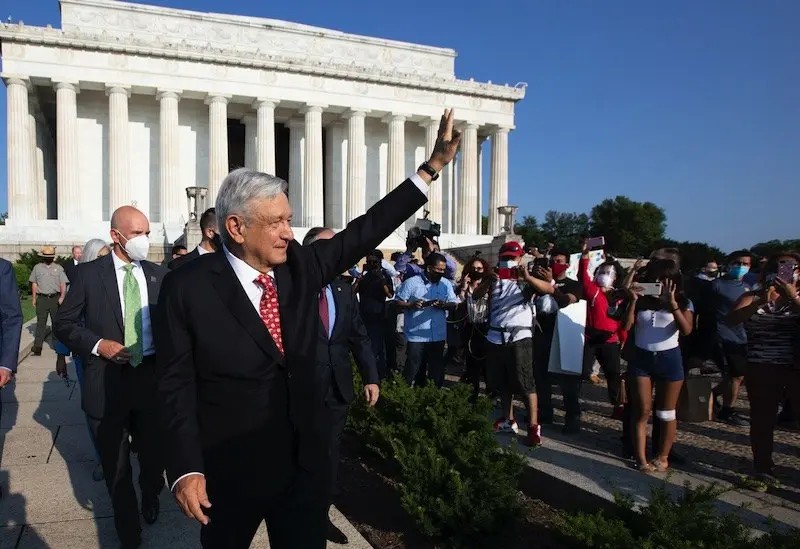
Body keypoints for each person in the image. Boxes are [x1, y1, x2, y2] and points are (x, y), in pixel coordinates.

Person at [154, 108, 460, 549]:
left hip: (303, 466)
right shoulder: (188, 287)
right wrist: (185, 467)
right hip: (229, 470)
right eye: (276, 222)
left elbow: (365, 230)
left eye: (288, 218)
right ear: (236, 227)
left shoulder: (300, 266)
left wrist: (429, 171)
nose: (287, 232)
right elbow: (174, 382)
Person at [55, 207, 167, 549]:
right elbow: (64, 324)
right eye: (136, 234)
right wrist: (99, 344)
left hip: (149, 380)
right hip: (107, 381)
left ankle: (150, 493)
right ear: (116, 235)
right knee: (117, 469)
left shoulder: (158, 275)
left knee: (152, 459)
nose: (144, 241)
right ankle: (128, 530)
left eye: (147, 232)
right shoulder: (89, 275)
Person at [303, 227, 380, 544]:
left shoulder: (345, 291)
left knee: (331, 456)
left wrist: (371, 376)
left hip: (338, 388)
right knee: (300, 455)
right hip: (302, 390)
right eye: (328, 247)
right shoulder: (291, 288)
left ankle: (320, 516)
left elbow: (359, 337)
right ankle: (299, 512)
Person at [728, 252, 800, 486]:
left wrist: (794, 298)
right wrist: (760, 300)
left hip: (795, 367)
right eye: (779, 267)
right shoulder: (752, 296)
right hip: (761, 365)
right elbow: (732, 320)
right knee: (762, 420)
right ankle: (763, 467)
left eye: (791, 267)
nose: (785, 271)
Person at [623, 259, 694, 473]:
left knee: (665, 412)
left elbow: (686, 330)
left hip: (669, 358)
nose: (659, 282)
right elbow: (625, 326)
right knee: (642, 410)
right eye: (655, 277)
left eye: (665, 278)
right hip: (642, 358)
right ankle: (641, 457)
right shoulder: (642, 299)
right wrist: (633, 301)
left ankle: (663, 456)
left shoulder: (683, 301)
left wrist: (672, 305)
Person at [485, 241, 542, 446]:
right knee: (502, 382)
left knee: (525, 381)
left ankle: (534, 425)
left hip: (519, 336)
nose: (508, 261)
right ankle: (507, 419)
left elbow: (548, 289)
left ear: (519, 259)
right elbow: (475, 295)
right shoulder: (494, 279)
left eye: (512, 258)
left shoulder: (526, 281)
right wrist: (487, 280)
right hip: (495, 335)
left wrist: (527, 277)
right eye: (505, 258)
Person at [69, 238, 111, 482]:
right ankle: (102, 458)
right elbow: (67, 322)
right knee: (94, 411)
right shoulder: (81, 280)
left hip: (117, 355)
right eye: (100, 259)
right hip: (87, 355)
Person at [528, 248, 583, 433]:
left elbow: (566, 301)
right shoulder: (537, 284)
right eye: (553, 260)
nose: (556, 263)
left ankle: (572, 417)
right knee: (541, 377)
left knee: (568, 381)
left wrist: (551, 284)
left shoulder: (573, 285)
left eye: (560, 260)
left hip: (564, 336)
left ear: (567, 264)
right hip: (542, 335)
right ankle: (544, 412)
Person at [395, 253, 460, 388]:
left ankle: (431, 400)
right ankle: (403, 397)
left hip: (438, 336)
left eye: (443, 270)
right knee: (413, 369)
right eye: (439, 270)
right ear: (430, 268)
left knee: (435, 372)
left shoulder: (445, 283)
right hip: (416, 337)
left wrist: (443, 305)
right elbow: (397, 302)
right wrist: (410, 305)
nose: (442, 272)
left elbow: (454, 303)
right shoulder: (412, 282)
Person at [579, 244, 625, 421]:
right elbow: (584, 277)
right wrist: (585, 256)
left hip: (611, 340)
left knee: (613, 374)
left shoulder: (619, 296)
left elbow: (622, 321)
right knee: (582, 371)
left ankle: (618, 405)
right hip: (591, 338)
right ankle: (573, 401)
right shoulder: (593, 291)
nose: (604, 275)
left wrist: (623, 338)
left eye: (608, 272)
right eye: (602, 271)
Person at [709, 251, 754, 426]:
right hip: (722, 335)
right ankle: (728, 410)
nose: (741, 267)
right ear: (729, 264)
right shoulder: (716, 285)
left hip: (740, 335)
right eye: (738, 263)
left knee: (739, 375)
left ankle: (714, 393)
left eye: (746, 264)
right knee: (735, 375)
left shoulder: (748, 287)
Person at [355, 251, 394, 378]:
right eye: (369, 262)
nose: (371, 264)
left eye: (374, 262)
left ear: (380, 262)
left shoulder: (384, 276)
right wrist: (359, 278)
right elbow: (353, 291)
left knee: (377, 347)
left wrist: (381, 279)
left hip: (378, 316)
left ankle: (379, 374)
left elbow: (389, 294)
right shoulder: (364, 277)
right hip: (364, 315)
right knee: (364, 345)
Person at [456, 257, 492, 398]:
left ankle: (491, 394)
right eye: (474, 268)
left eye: (479, 268)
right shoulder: (465, 285)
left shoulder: (489, 285)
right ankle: (473, 393)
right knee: (471, 363)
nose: (476, 271)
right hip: (470, 326)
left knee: (487, 364)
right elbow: (458, 304)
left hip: (485, 326)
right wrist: (464, 287)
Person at [29, 246, 68, 358]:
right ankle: (37, 347)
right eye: (46, 256)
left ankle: (56, 345)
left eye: (50, 256)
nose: (48, 258)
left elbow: (63, 284)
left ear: (53, 257)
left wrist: (62, 297)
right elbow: (34, 283)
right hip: (41, 299)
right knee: (41, 323)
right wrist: (34, 298)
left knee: (56, 323)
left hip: (55, 299)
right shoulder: (37, 268)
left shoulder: (59, 268)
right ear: (43, 257)